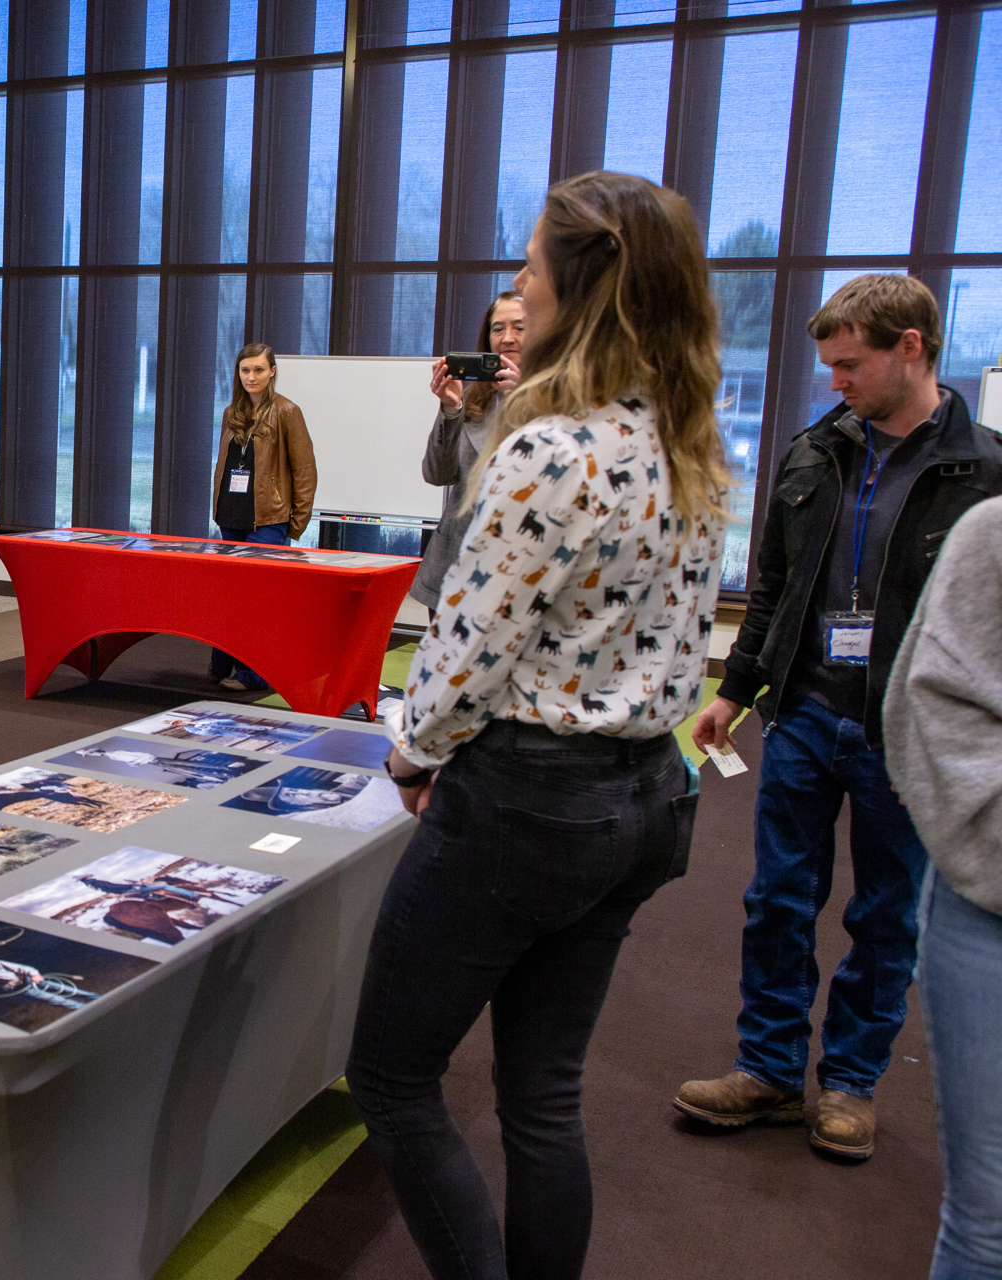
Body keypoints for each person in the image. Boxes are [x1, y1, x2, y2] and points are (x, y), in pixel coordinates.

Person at [351, 170, 729, 1280]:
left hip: (529, 800)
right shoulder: (692, 442)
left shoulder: (550, 446)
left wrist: (416, 749)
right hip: (647, 793)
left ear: (583, 281)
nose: (516, 284)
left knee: (391, 1075)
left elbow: (468, 646)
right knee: (543, 1098)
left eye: (529, 265)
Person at [677, 274, 1002, 1161]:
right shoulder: (813, 453)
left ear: (912, 348)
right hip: (807, 714)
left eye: (849, 364)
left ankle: (851, 1082)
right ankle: (771, 1069)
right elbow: (777, 590)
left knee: (887, 913)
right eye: (827, 365)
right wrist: (735, 694)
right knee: (777, 898)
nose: (834, 382)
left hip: (914, 736)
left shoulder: (988, 471)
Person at [884, 496, 1002, 1279]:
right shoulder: (990, 533)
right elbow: (925, 708)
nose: (837, 382)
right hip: (987, 902)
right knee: (987, 1219)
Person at [208, 342, 318, 691]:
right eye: (245, 370)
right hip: (232, 517)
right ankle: (221, 663)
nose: (251, 377)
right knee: (229, 598)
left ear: (272, 372)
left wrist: (295, 522)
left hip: (268, 521)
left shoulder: (287, 411)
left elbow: (305, 470)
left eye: (258, 370)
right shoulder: (231, 413)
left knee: (259, 602)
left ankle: (253, 675)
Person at [411, 291, 525, 615]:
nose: (507, 338)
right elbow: (437, 475)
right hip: (456, 568)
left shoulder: (559, 398)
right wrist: (451, 409)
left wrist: (525, 403)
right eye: (498, 328)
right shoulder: (474, 397)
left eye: (519, 327)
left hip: (519, 571)